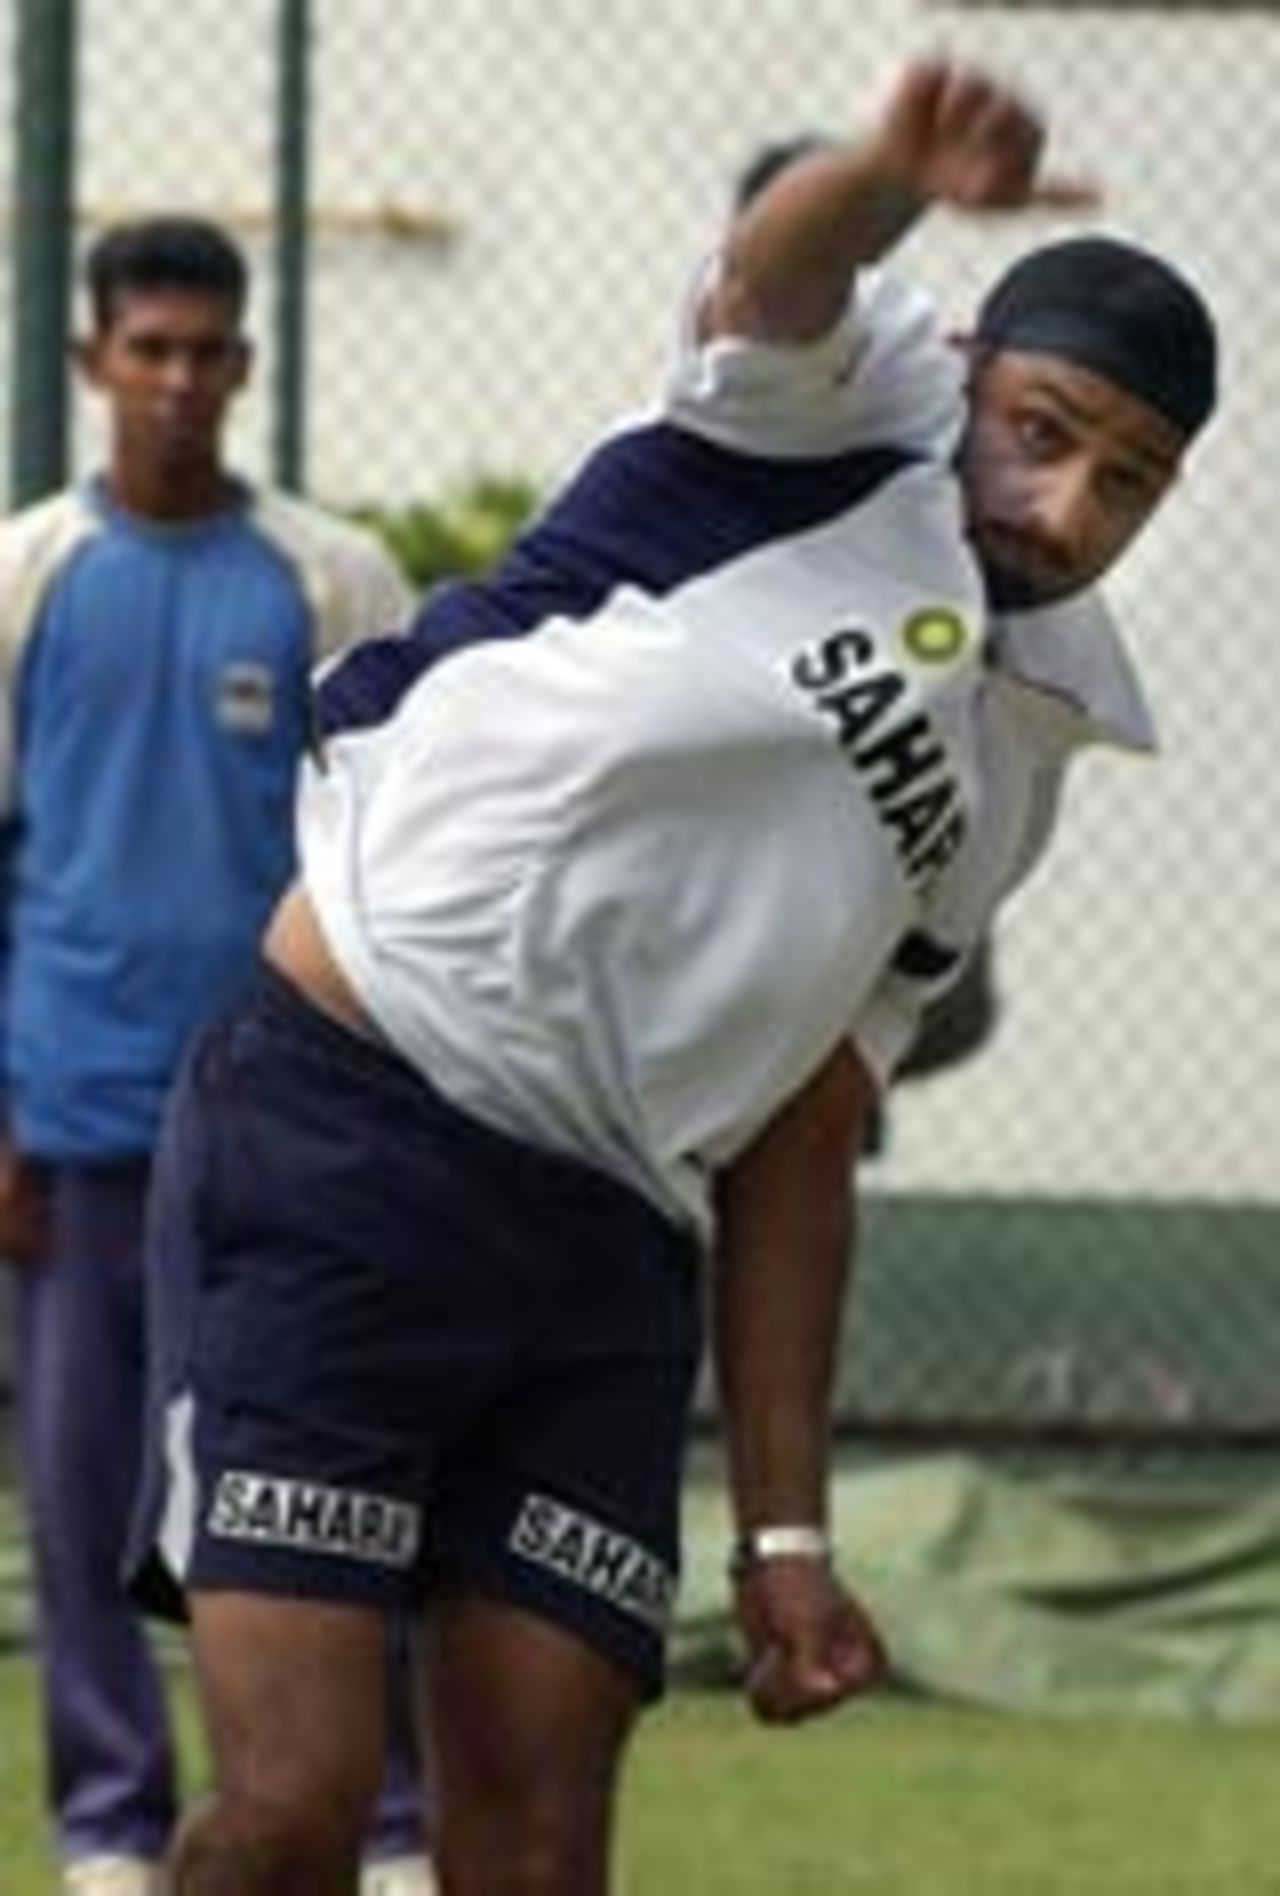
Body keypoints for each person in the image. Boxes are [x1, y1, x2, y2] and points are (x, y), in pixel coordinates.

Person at [127, 57, 1218, 1896]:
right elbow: (777, 271)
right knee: (295, 1814)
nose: (1070, 498)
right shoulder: (831, 415)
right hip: (353, 1124)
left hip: (605, 1241)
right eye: (1045, 427)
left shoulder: (1022, 758)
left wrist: (786, 1529)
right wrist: (890, 165)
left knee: (541, 1852)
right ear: (965, 372)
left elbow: (809, 1111)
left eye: (1133, 478)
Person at [0, 217, 436, 1896]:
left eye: (208, 353)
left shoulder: (334, 580)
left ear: (246, 367)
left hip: (284, 1137)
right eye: (149, 349)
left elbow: (399, 868)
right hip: (78, 1128)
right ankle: (109, 1828)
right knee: (80, 1497)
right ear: (96, 361)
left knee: (326, 1489)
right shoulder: (31, 577)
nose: (179, 382)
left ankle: (394, 1826)